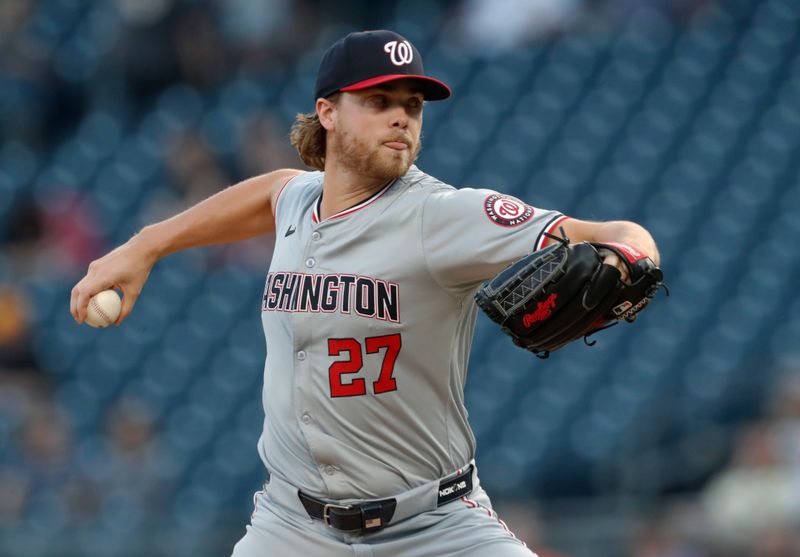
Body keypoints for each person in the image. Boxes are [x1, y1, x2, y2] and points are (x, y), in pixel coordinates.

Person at [71, 30, 660, 557]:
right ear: (327, 112)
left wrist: (634, 254)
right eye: (378, 102)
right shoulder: (299, 201)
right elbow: (270, 192)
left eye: (412, 105)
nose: (401, 118)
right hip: (292, 525)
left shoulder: (442, 216)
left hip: (434, 527)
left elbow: (609, 234)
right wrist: (144, 246)